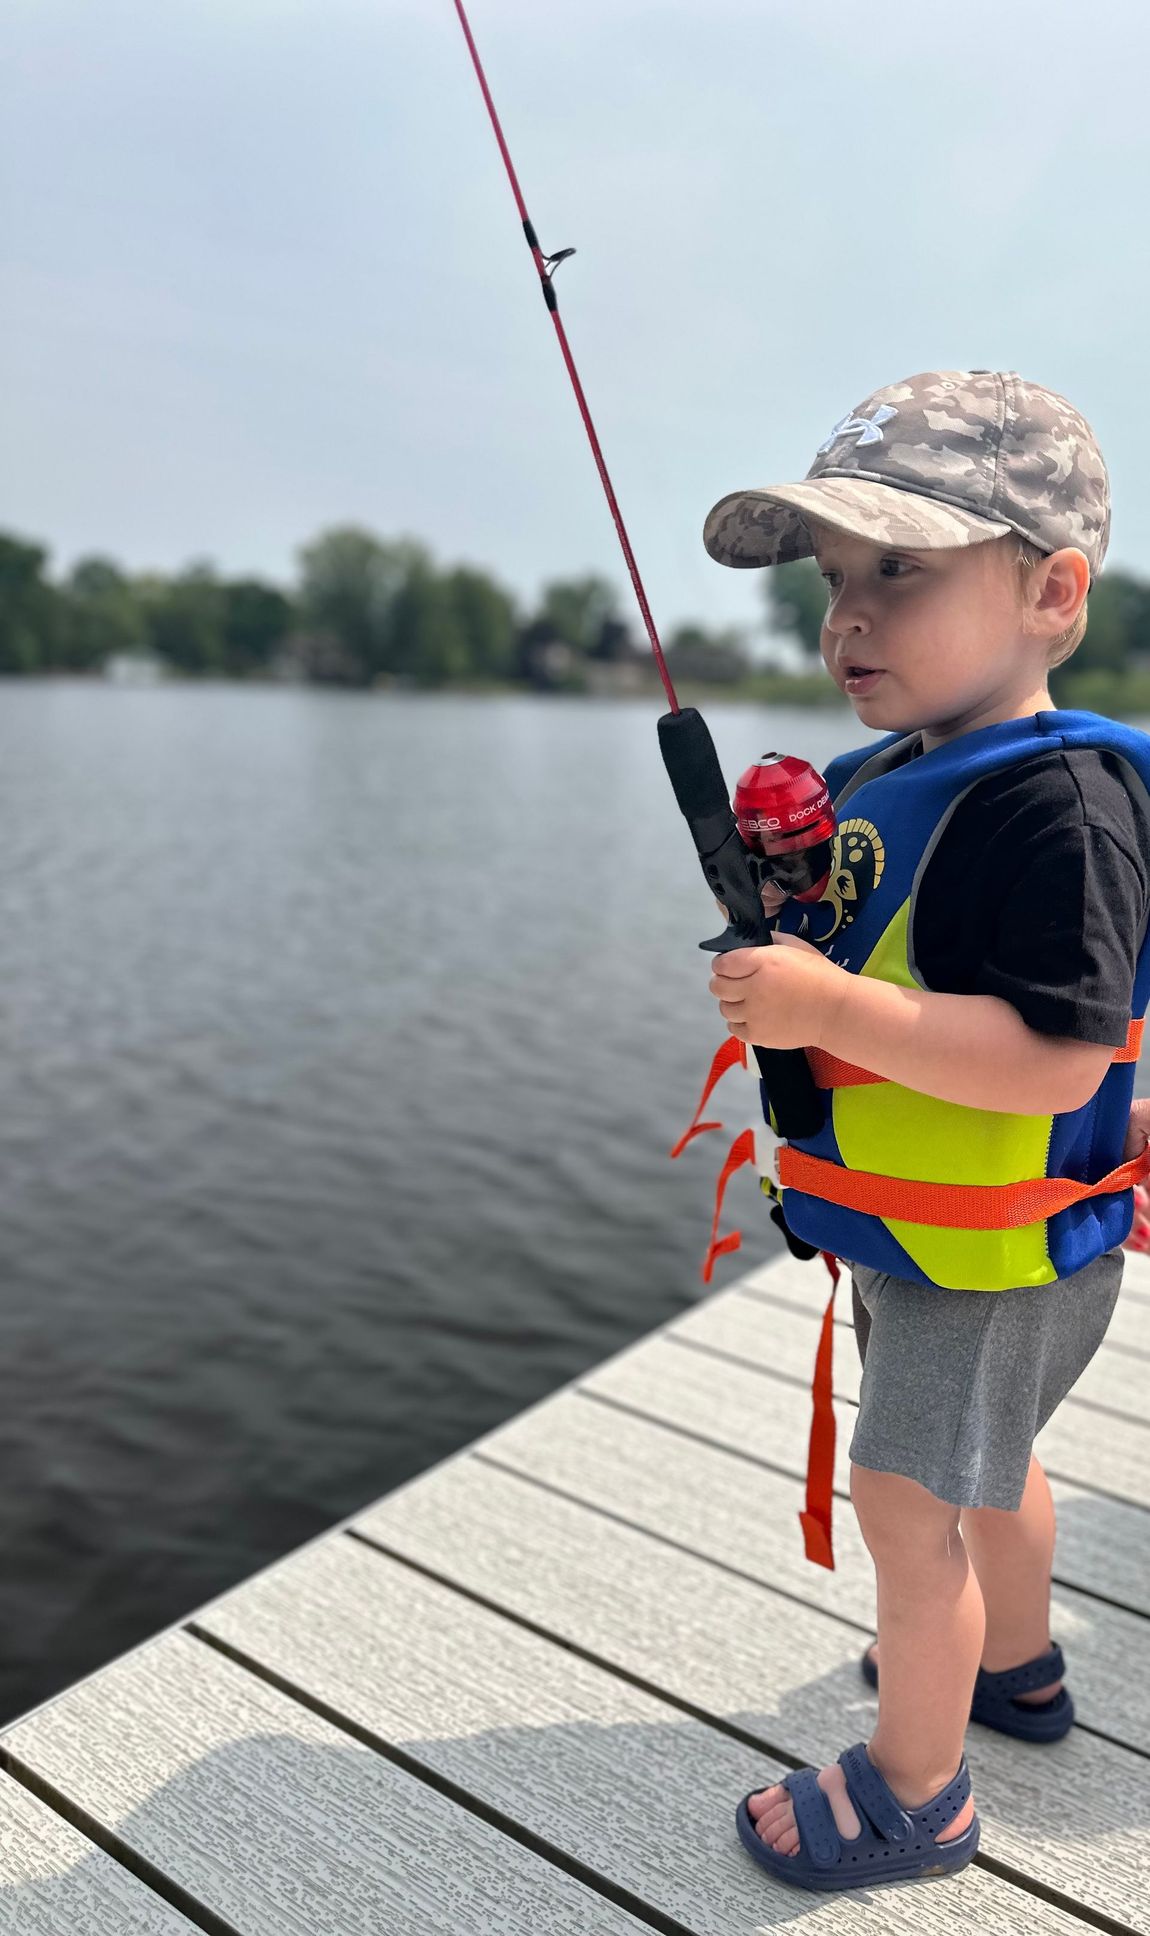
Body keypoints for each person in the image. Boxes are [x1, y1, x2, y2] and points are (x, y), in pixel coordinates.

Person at [699, 369, 1150, 1891]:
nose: (847, 620)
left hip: (989, 1253)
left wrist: (826, 1010)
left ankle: (916, 1792)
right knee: (982, 1468)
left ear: (1051, 592)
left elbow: (1045, 1061)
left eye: (900, 569)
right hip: (928, 1237)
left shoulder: (1056, 810)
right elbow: (879, 952)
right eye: (836, 581)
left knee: (910, 1508)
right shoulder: (894, 781)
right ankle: (1013, 1675)